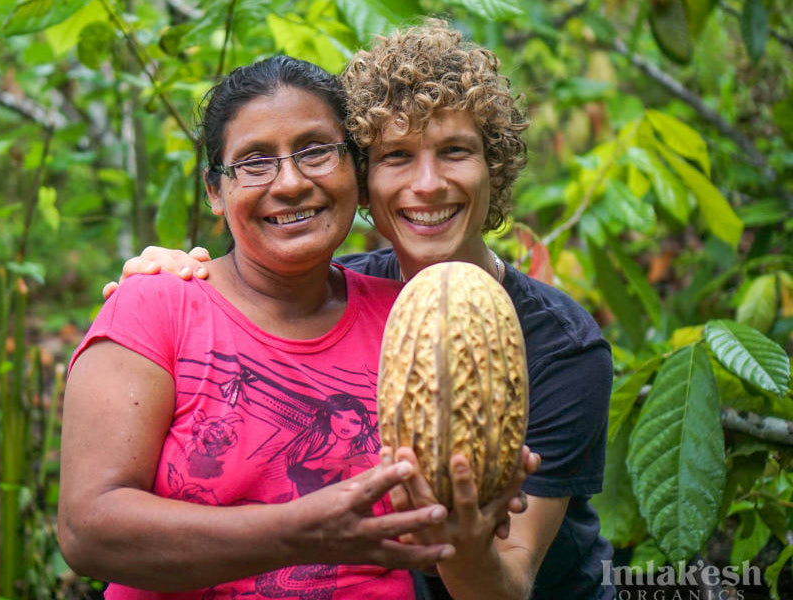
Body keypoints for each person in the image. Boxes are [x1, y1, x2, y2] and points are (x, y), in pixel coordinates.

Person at [105, 21, 614, 600]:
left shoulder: (562, 344)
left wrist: (462, 544)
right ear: (364, 178)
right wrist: (172, 279)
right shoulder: (348, 294)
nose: (428, 184)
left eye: (455, 151)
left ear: (491, 167)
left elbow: (513, 580)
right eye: (396, 156)